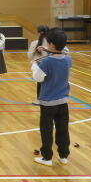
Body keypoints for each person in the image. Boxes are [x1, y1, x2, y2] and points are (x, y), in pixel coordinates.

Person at [31, 29, 72, 166]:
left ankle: (47, 157)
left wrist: (34, 65)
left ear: (52, 44)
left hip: (48, 103)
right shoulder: (68, 59)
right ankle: (63, 155)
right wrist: (47, 50)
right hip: (63, 102)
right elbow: (61, 53)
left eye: (48, 43)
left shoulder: (47, 62)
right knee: (63, 129)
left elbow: (38, 78)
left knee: (46, 131)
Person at [28, 25, 50, 104]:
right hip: (52, 65)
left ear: (39, 33)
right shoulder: (52, 43)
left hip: (40, 65)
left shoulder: (35, 43)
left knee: (40, 83)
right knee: (50, 82)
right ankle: (49, 99)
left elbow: (30, 56)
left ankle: (40, 100)